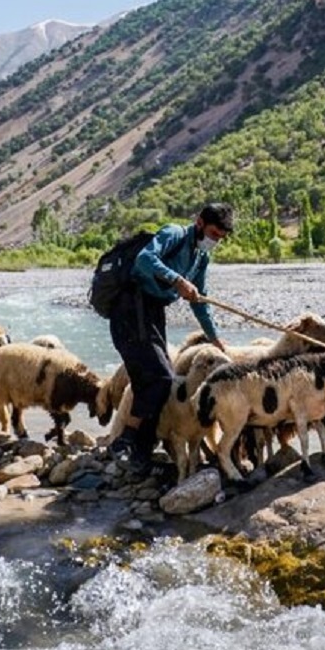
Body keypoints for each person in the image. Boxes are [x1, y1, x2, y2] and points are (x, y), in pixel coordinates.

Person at [107, 202, 233, 475]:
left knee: (157, 376)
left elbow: (199, 301)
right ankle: (125, 441)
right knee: (160, 376)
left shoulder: (201, 258)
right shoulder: (174, 234)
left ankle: (141, 450)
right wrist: (176, 280)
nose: (214, 241)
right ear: (199, 223)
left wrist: (214, 339)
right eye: (213, 233)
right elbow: (144, 259)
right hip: (132, 306)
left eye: (220, 238)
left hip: (153, 311)